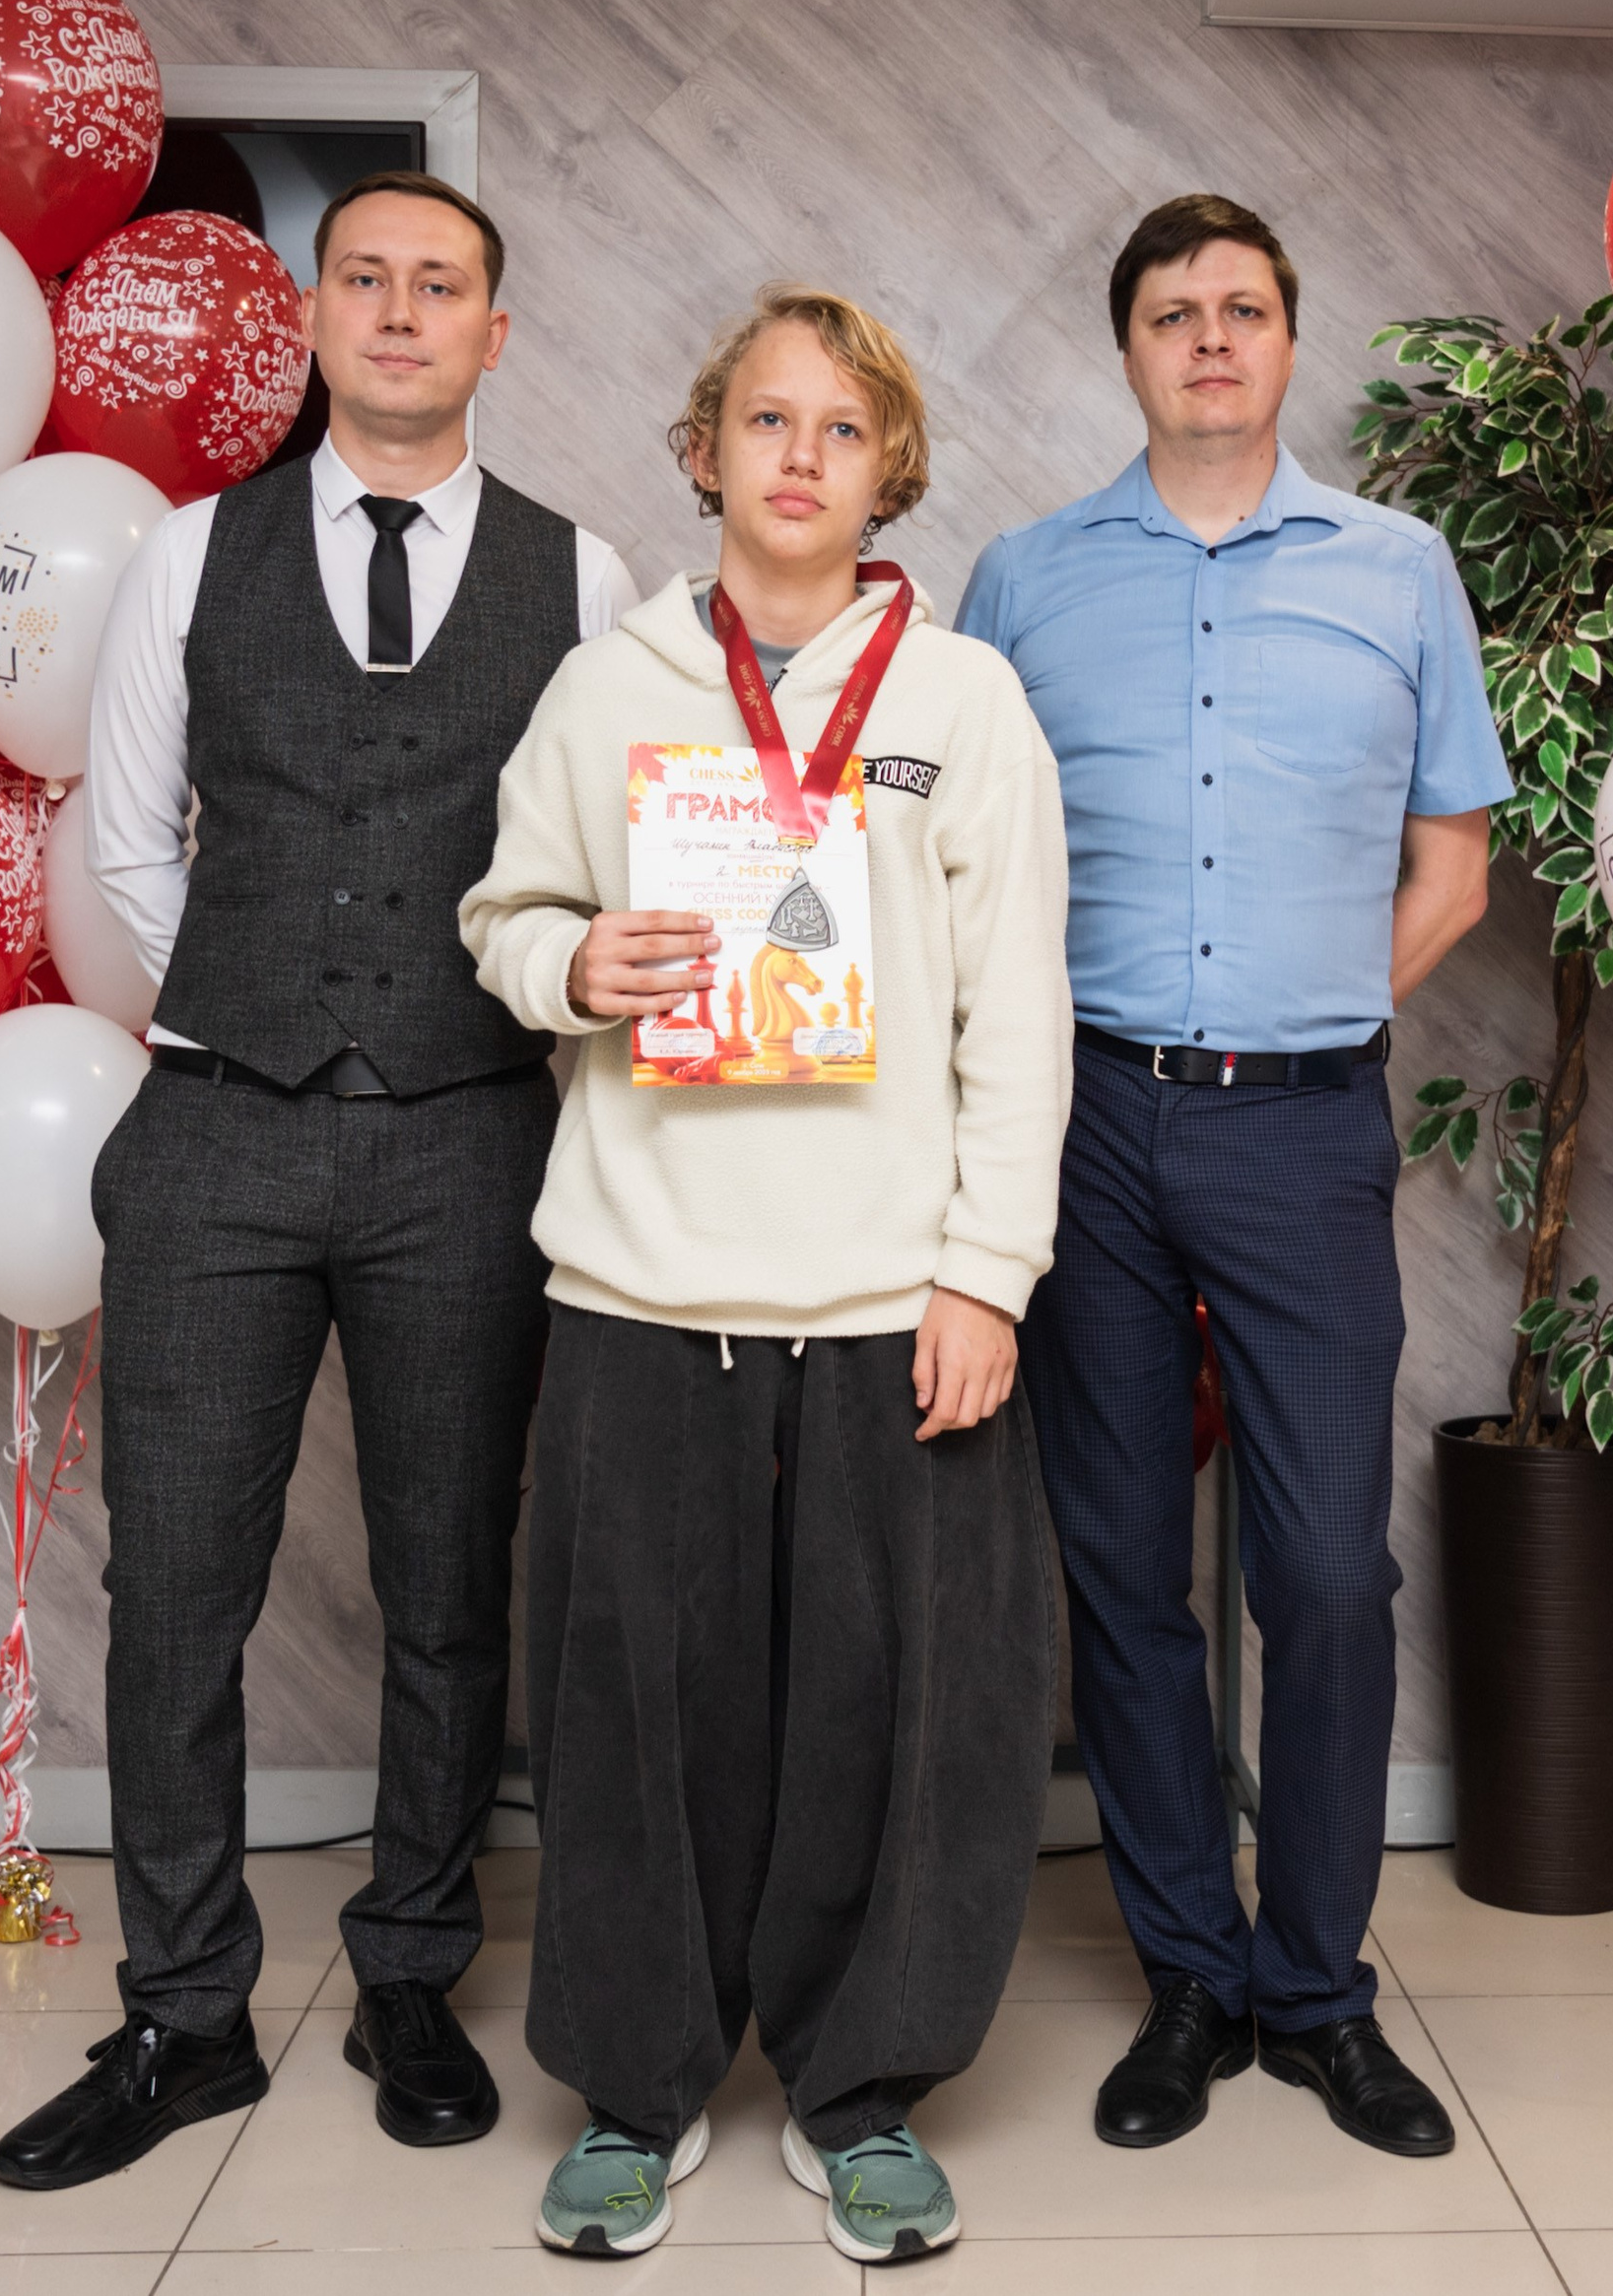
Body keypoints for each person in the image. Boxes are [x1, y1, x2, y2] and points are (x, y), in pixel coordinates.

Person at [0, 170, 638, 2191]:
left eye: (442, 285)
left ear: (494, 336)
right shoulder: (193, 553)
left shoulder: (585, 575)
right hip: (218, 1131)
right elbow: (123, 843)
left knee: (450, 1586)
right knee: (174, 1587)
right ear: (314, 315)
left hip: (472, 1133)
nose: (401, 311)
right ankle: (184, 2014)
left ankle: (411, 1971)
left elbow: (604, 859)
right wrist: (256, 998)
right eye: (366, 277)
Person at [460, 285, 1071, 2262]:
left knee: (901, 1719)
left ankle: (859, 2087)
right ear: (704, 451)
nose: (802, 457)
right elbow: (504, 915)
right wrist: (574, 964)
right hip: (643, 1289)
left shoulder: (961, 703)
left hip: (895, 1299)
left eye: (844, 428)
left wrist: (987, 1273)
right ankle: (636, 2092)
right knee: (631, 1710)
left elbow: (1018, 1013)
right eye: (767, 420)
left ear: (891, 469)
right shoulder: (608, 685)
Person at [957, 193, 1510, 2159]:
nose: (1210, 337)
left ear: (1287, 339)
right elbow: (948, 858)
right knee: (1120, 1564)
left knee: (1328, 1573)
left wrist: (1310, 1009)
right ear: (1126, 349)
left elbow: (1457, 862)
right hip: (1087, 1123)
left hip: (1303, 1123)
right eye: (1174, 312)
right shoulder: (1022, 580)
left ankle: (1319, 1992)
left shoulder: (1402, 568)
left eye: (1244, 308)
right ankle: (1189, 1974)